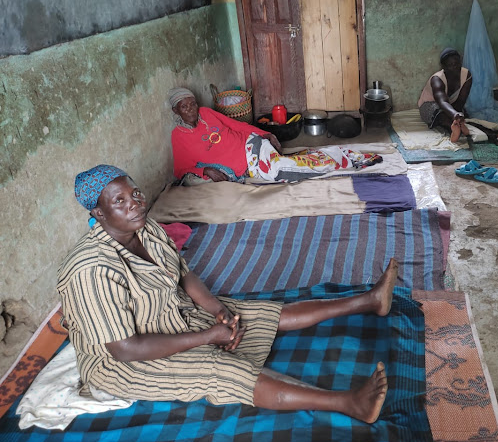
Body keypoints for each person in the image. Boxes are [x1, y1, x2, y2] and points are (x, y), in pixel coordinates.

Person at [58, 165, 398, 423]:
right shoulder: (91, 269)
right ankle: (348, 403)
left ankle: (369, 300)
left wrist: (219, 310)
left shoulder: (146, 228)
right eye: (120, 201)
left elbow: (185, 276)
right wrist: (207, 337)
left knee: (252, 315)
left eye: (135, 194)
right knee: (219, 370)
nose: (135, 204)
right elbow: (125, 348)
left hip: (172, 316)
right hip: (124, 361)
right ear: (99, 214)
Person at [169, 88, 381, 183]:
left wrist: (265, 134)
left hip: (251, 146)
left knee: (278, 169)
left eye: (193, 104)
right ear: (176, 111)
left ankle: (343, 161)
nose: (191, 109)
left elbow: (237, 126)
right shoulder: (179, 137)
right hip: (244, 169)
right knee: (281, 169)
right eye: (184, 107)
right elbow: (180, 170)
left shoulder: (207, 113)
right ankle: (339, 157)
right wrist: (206, 170)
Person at [417, 48, 473, 143]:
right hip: (430, 105)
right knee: (440, 112)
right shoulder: (437, 79)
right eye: (450, 65)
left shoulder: (466, 74)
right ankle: (454, 128)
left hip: (450, 104)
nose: (455, 67)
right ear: (444, 67)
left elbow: (461, 99)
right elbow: (442, 101)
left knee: (461, 113)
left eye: (456, 64)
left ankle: (457, 125)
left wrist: (457, 114)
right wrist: (454, 114)